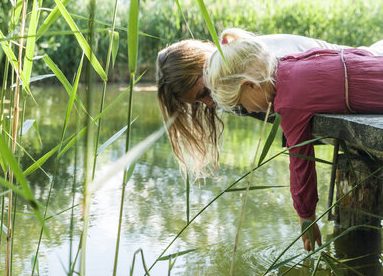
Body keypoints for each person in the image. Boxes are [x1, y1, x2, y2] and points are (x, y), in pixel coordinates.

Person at [202, 30, 383, 251]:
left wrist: (306, 215)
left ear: (251, 85)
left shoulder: (288, 103)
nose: (247, 110)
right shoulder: (288, 62)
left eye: (241, 103)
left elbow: (300, 163)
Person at [156, 29, 383, 176]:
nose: (209, 104)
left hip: (368, 71)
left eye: (204, 93)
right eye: (198, 104)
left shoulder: (259, 64)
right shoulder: (235, 79)